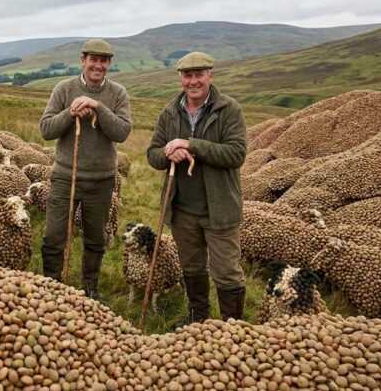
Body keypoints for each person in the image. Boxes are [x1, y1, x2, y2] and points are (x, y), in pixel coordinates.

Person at [146, 51, 247, 323]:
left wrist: (191, 145)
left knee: (226, 272)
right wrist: (169, 152)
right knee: (191, 267)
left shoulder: (229, 110)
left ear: (210, 75)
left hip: (219, 209)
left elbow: (236, 154)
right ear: (181, 78)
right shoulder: (169, 113)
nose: (193, 81)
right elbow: (152, 155)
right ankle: (198, 320)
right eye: (187, 76)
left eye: (199, 75)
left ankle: (232, 328)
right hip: (182, 210)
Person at [39, 39, 132, 299]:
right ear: (83, 60)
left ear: (109, 64)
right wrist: (70, 113)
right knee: (54, 235)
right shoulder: (64, 88)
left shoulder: (117, 93)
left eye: (104, 61)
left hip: (101, 180)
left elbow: (122, 132)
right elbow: (46, 130)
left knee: (95, 238)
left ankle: (90, 288)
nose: (98, 65)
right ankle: (51, 286)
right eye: (93, 59)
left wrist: (98, 108)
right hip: (65, 176)